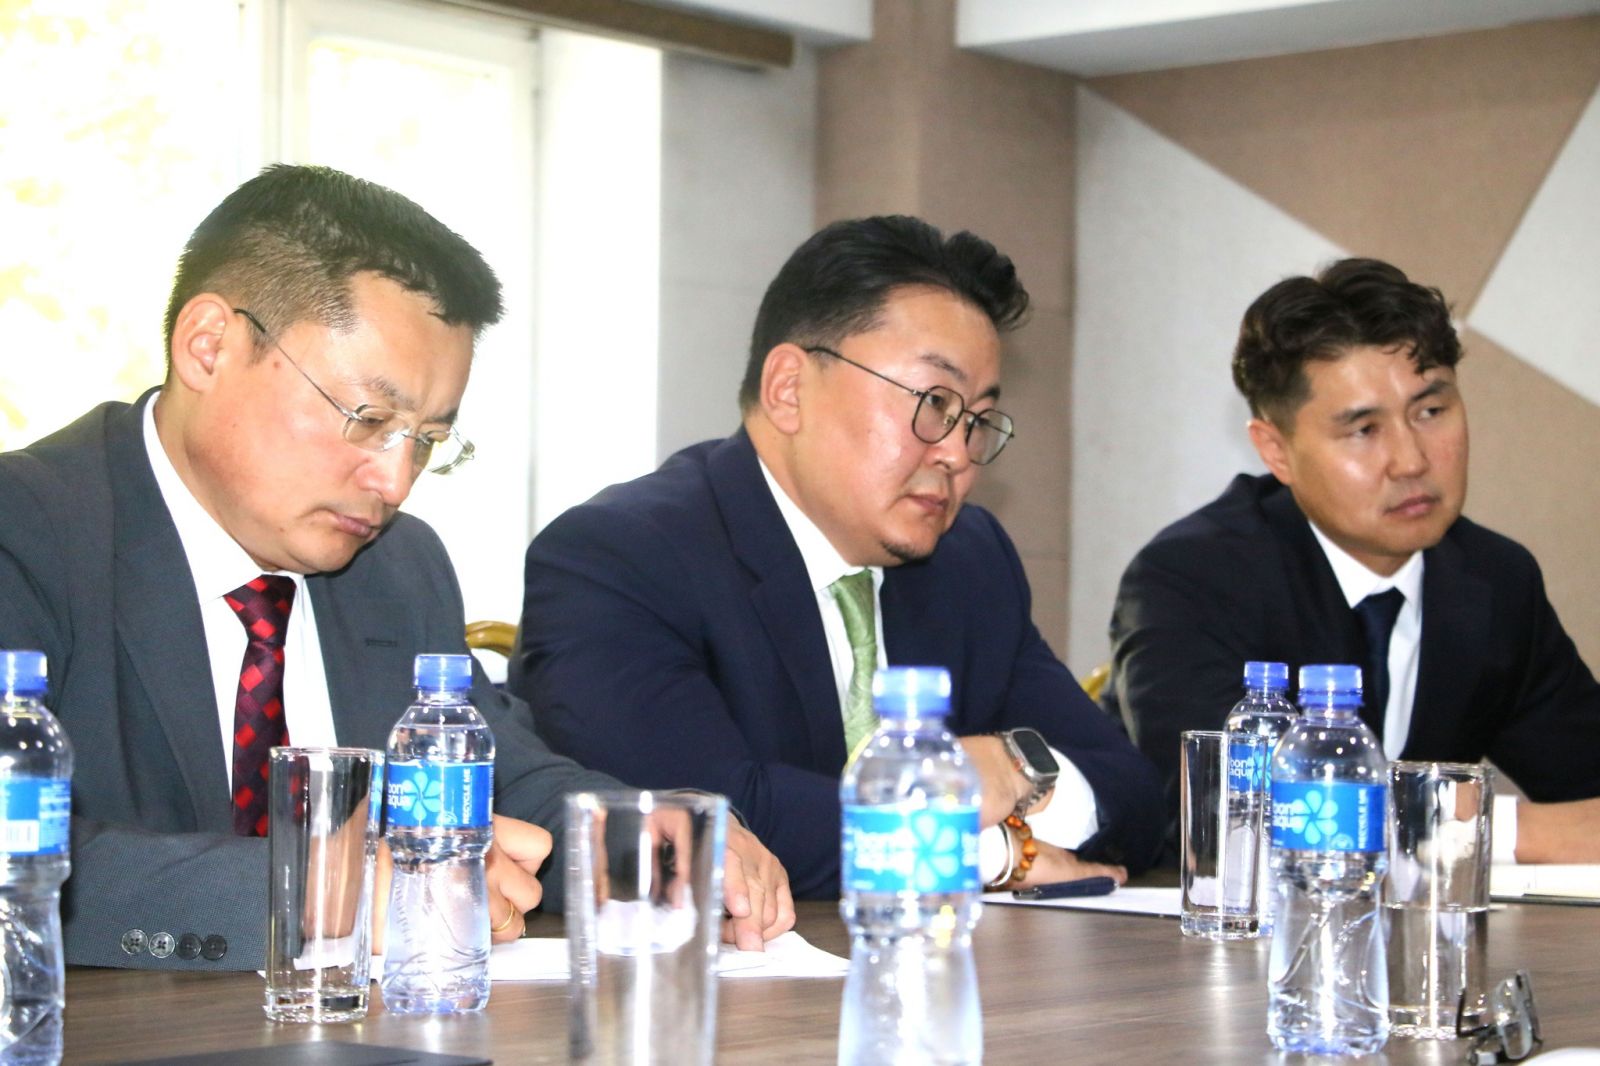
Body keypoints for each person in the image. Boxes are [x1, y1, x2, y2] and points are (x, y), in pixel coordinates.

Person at [0, 164, 791, 970]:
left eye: (428, 440)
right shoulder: (26, 532)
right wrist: (322, 890)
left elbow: (504, 777)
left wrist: (638, 838)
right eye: (368, 418)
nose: (394, 481)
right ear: (210, 347)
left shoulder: (397, 565)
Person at [512, 215, 1166, 899]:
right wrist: (991, 850)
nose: (956, 453)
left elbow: (1135, 800)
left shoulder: (970, 563)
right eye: (934, 403)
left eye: (977, 421)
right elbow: (705, 824)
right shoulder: (620, 555)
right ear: (789, 388)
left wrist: (1011, 767)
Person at [1104, 257, 1600, 862]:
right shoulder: (1192, 578)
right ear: (1276, 451)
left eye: (1430, 412)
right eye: (1364, 430)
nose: (1411, 460)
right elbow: (1226, 813)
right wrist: (1497, 829)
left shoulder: (1494, 581)